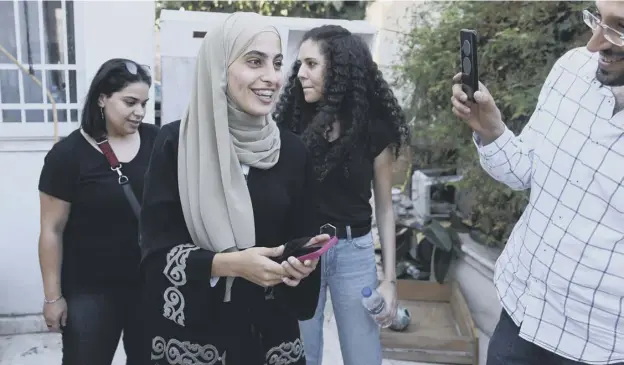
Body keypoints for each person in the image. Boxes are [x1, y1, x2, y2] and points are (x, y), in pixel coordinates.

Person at [139, 12, 328, 365]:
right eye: (254, 61)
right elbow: (155, 253)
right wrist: (228, 265)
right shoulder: (176, 144)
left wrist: (302, 260)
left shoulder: (291, 151)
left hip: (270, 337)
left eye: (276, 63)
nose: (271, 78)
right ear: (219, 67)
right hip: (196, 338)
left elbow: (298, 237)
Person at [451, 2, 624, 365]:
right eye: (597, 18)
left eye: (620, 28)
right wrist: (492, 130)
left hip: (602, 346)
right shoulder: (572, 68)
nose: (595, 45)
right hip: (522, 313)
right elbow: (526, 171)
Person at [273, 25, 410, 365]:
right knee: (302, 354)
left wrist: (389, 281)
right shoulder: (291, 121)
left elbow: (385, 207)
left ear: (338, 68)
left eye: (311, 64)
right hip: (303, 252)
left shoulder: (373, 129)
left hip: (355, 252)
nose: (300, 73)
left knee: (363, 355)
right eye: (300, 64)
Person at [38, 58, 157, 365]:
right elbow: (51, 231)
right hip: (89, 292)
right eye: (130, 102)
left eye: (144, 103)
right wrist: (53, 298)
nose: (140, 112)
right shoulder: (67, 156)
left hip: (149, 287)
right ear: (102, 98)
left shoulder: (160, 142)